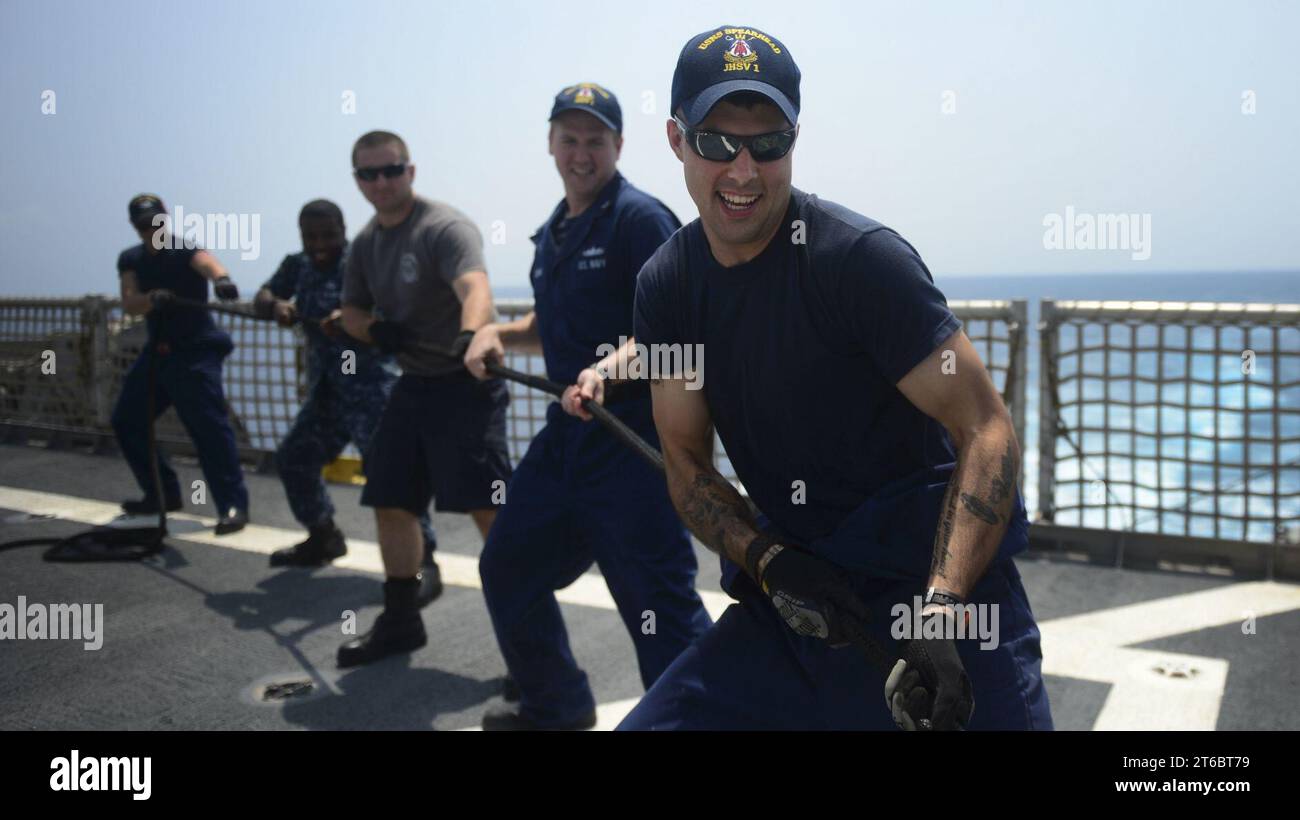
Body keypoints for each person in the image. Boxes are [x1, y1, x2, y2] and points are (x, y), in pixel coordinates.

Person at [620, 27, 1053, 730]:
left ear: (794, 139)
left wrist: (939, 610)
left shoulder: (862, 263)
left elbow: (986, 428)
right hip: (802, 589)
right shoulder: (664, 288)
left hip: (938, 588)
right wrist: (766, 560)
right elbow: (685, 461)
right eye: (715, 141)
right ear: (676, 139)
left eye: (768, 143)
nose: (742, 170)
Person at [464, 84, 712, 730]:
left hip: (632, 442)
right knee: (507, 566)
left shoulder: (639, 220)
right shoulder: (554, 231)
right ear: (550, 143)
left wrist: (606, 370)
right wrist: (498, 333)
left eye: (594, 140)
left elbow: (674, 328)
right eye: (568, 138)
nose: (581, 153)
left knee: (658, 610)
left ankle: (704, 722)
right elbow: (551, 323)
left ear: (619, 146)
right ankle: (558, 706)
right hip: (566, 444)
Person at [337, 131, 512, 668]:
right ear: (358, 181)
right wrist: (374, 331)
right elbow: (350, 313)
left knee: (491, 510)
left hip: (469, 383)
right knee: (390, 498)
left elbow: (475, 289)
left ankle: (528, 650)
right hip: (414, 383)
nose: (382, 182)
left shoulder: (442, 228)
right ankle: (401, 621)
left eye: (391, 170)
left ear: (410, 171)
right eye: (369, 174)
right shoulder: (366, 244)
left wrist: (470, 332)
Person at [253, 199, 439, 579]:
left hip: (373, 391)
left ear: (343, 230)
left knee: (392, 473)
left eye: (329, 234)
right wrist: (275, 305)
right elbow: (263, 295)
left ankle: (423, 558)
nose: (320, 243)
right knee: (295, 457)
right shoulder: (297, 265)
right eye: (311, 236)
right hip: (328, 392)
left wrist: (356, 320)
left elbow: (400, 316)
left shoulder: (365, 262)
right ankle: (323, 536)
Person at [112, 194, 249, 535]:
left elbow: (208, 263)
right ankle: (162, 495)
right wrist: (151, 298)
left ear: (166, 219)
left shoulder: (184, 250)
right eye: (145, 224)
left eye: (157, 221)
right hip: (158, 355)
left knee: (209, 431)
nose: (152, 228)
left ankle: (232, 506)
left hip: (195, 353)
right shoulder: (130, 259)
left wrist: (222, 281)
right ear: (135, 227)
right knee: (127, 420)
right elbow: (130, 302)